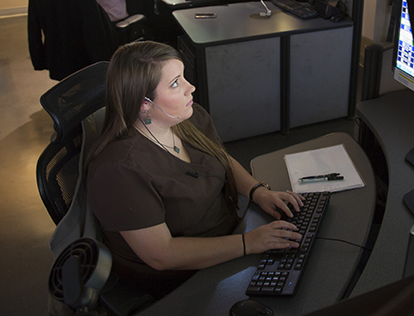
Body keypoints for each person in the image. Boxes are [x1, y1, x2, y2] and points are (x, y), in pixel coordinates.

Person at [86, 41, 305, 299]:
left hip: (230, 237)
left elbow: (219, 158)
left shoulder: (187, 118)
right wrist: (249, 243)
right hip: (181, 279)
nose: (191, 87)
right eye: (176, 83)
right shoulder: (118, 171)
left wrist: (258, 192)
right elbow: (162, 255)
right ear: (144, 104)